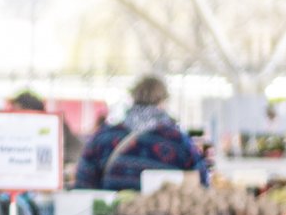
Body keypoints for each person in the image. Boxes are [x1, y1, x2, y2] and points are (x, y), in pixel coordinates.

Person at [74, 75, 206, 191]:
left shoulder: (104, 137)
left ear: (132, 99)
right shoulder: (178, 141)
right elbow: (201, 180)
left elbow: (83, 183)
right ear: (162, 102)